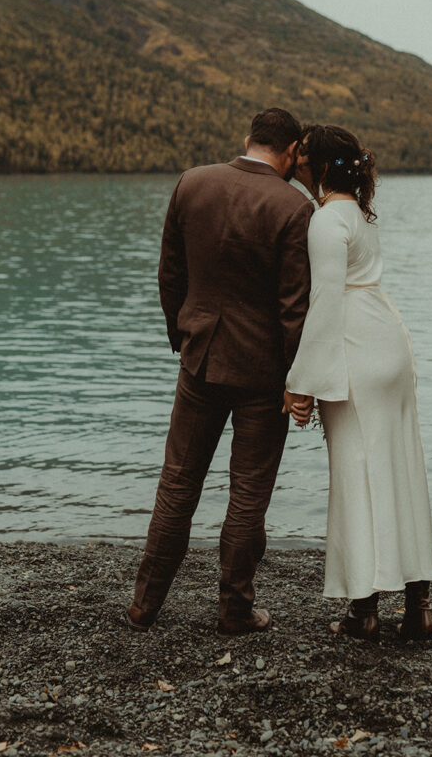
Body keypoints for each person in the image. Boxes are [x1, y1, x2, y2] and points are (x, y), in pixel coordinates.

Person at [127, 108, 314, 636]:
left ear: (247, 139)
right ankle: (234, 610)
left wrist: (182, 336)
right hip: (263, 371)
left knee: (177, 486)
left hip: (200, 359)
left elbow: (171, 273)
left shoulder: (193, 183)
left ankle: (145, 604)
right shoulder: (295, 208)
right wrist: (299, 380)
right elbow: (293, 307)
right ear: (293, 152)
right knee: (248, 495)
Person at [284, 124, 432, 642]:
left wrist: (300, 383)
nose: (295, 161)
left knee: (355, 474)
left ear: (322, 167)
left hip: (358, 351)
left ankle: (363, 612)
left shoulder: (327, 220)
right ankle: (418, 607)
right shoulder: (360, 215)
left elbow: (326, 305)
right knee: (401, 468)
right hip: (390, 345)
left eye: (303, 155)